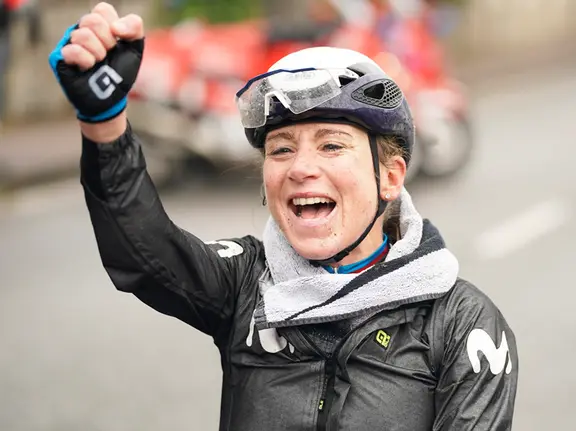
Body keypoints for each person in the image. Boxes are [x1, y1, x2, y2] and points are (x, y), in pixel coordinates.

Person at [48, 2, 518, 430]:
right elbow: (145, 251)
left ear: (390, 177)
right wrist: (104, 121)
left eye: (332, 145)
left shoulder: (461, 323)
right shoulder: (247, 282)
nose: (300, 168)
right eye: (281, 150)